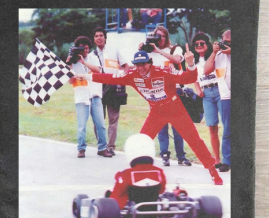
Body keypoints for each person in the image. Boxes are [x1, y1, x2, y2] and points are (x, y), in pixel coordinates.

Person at [80, 47, 223, 185]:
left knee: (194, 140)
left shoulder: (164, 71)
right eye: (137, 65)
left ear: (150, 63)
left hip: (175, 110)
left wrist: (190, 64)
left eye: (143, 64)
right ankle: (137, 172)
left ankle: (212, 171)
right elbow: (109, 77)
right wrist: (85, 76)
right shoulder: (132, 75)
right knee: (142, 141)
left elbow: (189, 78)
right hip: (156, 112)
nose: (140, 68)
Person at [139, 26, 192, 167]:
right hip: (158, 94)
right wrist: (141, 50)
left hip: (175, 92)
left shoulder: (174, 49)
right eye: (158, 36)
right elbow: (140, 68)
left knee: (178, 126)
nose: (160, 39)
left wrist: (159, 51)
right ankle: (164, 155)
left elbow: (177, 60)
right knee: (161, 126)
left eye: (163, 36)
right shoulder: (149, 53)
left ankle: (181, 156)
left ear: (167, 37)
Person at [66, 36, 112, 158]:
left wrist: (84, 62)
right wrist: (69, 65)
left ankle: (102, 148)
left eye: (87, 48)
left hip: (95, 94)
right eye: (83, 49)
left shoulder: (93, 57)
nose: (85, 51)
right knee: (82, 125)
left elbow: (98, 70)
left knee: (101, 124)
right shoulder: (72, 62)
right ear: (78, 49)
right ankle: (81, 149)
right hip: (81, 96)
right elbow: (70, 81)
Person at [90, 27, 130, 156]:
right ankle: (102, 146)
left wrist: (122, 78)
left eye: (101, 35)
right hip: (98, 89)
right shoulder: (91, 56)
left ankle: (111, 146)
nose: (99, 38)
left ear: (105, 37)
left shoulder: (114, 50)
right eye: (96, 36)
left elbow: (125, 65)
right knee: (98, 119)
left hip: (113, 89)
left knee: (113, 119)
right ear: (94, 39)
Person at [106, 134, 166, 209]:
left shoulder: (126, 174)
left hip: (133, 212)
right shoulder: (159, 172)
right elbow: (161, 190)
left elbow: (116, 194)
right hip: (153, 209)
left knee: (113, 196)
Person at [192, 32, 223, 169]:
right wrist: (198, 89)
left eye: (201, 43)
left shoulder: (216, 55)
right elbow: (194, 77)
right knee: (212, 126)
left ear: (207, 44)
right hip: (206, 94)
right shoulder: (194, 61)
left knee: (227, 124)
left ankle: (228, 157)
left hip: (219, 90)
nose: (199, 46)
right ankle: (217, 159)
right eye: (196, 44)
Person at [204, 30, 231, 172]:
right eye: (225, 42)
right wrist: (214, 53)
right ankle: (227, 161)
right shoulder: (219, 55)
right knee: (227, 128)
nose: (227, 45)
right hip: (225, 95)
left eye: (230, 42)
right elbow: (206, 70)